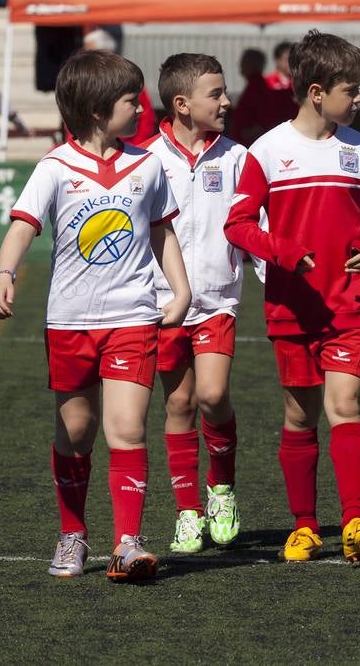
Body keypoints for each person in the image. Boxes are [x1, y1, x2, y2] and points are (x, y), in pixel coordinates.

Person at [0, 49, 191, 581]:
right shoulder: (55, 166)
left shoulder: (146, 165)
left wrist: (182, 290)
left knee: (127, 428)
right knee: (76, 431)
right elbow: (22, 227)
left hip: (133, 317)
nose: (142, 108)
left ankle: (126, 543)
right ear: (100, 110)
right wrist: (4, 274)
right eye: (132, 100)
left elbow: (161, 231)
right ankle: (73, 534)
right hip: (70, 322)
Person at [223, 31, 360, 565]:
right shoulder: (267, 151)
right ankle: (303, 526)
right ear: (317, 92)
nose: (359, 98)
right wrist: (284, 252)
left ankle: (355, 520)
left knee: (345, 405)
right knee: (300, 417)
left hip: (349, 306)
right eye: (351, 89)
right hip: (292, 308)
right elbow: (239, 225)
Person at [143, 54, 246, 554]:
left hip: (217, 301)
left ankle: (221, 489)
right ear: (182, 104)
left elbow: (255, 227)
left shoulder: (237, 157)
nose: (227, 101)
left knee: (211, 395)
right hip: (160, 306)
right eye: (216, 93)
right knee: (179, 403)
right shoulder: (144, 160)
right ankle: (187, 511)